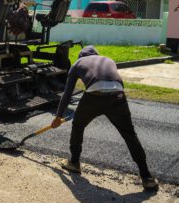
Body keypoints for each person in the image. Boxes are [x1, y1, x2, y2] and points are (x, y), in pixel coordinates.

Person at [51, 46, 158, 190]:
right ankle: (147, 177)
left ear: (81, 56)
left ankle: (74, 163)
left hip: (94, 96)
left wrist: (58, 116)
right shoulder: (108, 59)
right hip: (118, 95)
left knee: (78, 125)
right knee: (129, 134)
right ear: (96, 54)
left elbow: (67, 93)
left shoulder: (78, 63)